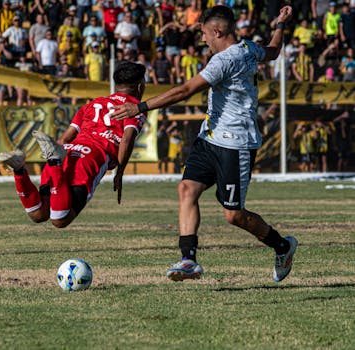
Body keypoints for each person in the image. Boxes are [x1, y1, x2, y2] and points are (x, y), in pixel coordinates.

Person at [111, 5, 298, 283]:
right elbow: (272, 51)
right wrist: (280, 25)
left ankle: (282, 246)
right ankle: (188, 260)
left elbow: (185, 90)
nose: (202, 40)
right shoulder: (247, 47)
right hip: (209, 137)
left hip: (236, 144)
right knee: (186, 189)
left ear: (218, 31)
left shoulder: (225, 60)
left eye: (204, 34)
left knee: (233, 215)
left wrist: (140, 108)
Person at [0, 61, 147, 228]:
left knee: (39, 214)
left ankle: (19, 170)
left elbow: (65, 139)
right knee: (60, 219)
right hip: (91, 157)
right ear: (140, 87)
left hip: (67, 151)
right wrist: (120, 172)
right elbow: (126, 140)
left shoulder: (92, 104)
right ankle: (54, 162)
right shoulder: (134, 109)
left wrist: (59, 154)